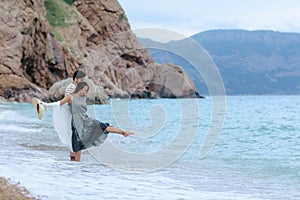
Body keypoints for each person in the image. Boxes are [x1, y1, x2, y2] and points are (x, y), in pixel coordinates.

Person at [41, 81, 134, 161]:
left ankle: (123, 132)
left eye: (87, 91)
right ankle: (72, 173)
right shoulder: (70, 97)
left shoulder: (82, 99)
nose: (86, 92)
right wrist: (44, 105)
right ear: (80, 88)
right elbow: (58, 104)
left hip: (86, 121)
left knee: (103, 127)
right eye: (85, 90)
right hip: (77, 125)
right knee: (76, 148)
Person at [65, 70, 86, 161]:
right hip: (75, 117)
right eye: (81, 80)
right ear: (76, 79)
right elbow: (70, 102)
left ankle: (73, 167)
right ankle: (76, 166)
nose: (82, 82)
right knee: (77, 144)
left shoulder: (74, 88)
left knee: (74, 144)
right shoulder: (71, 88)